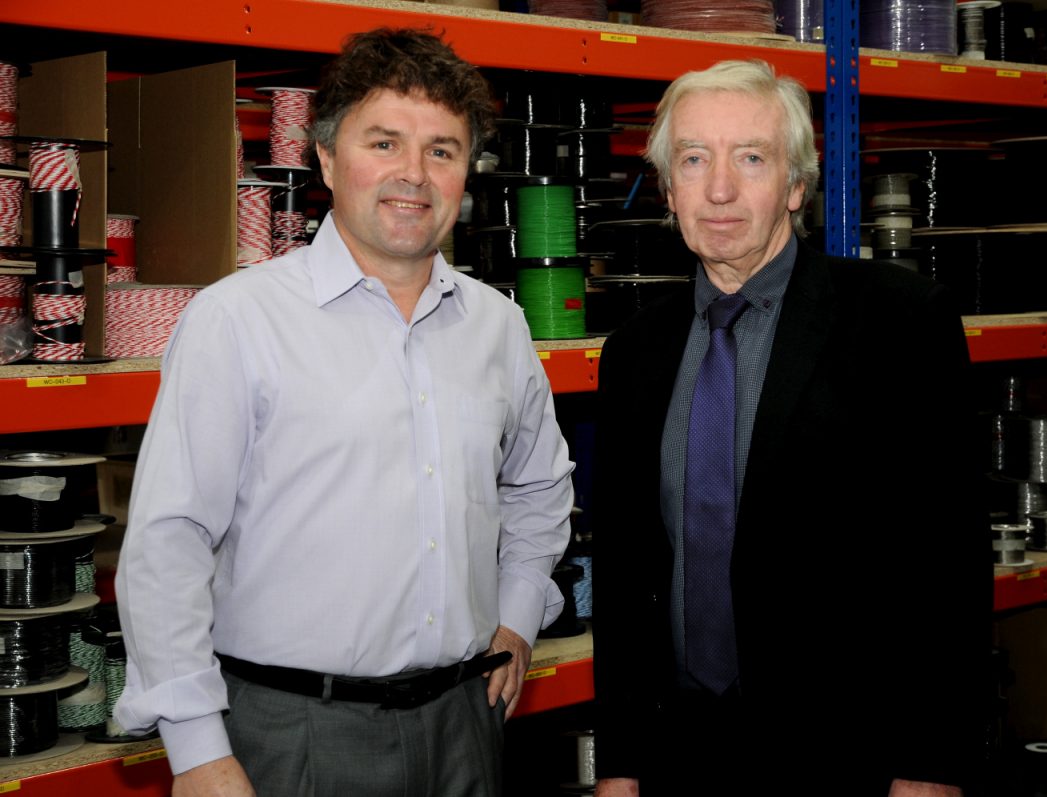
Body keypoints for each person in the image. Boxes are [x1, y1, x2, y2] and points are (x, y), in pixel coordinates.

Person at [115, 28, 574, 796]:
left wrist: (519, 613)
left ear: (466, 171)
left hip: (467, 722)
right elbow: (168, 542)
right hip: (293, 737)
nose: (414, 175)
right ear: (326, 158)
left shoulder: (498, 326)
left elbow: (538, 486)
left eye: (442, 149)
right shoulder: (239, 320)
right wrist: (196, 749)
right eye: (384, 142)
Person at [592, 60, 990, 796]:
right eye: (693, 159)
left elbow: (949, 564)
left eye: (751, 157)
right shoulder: (634, 353)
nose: (719, 188)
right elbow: (624, 573)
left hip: (846, 755)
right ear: (669, 188)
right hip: (680, 752)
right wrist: (619, 760)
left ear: (796, 186)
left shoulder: (900, 322)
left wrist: (930, 766)